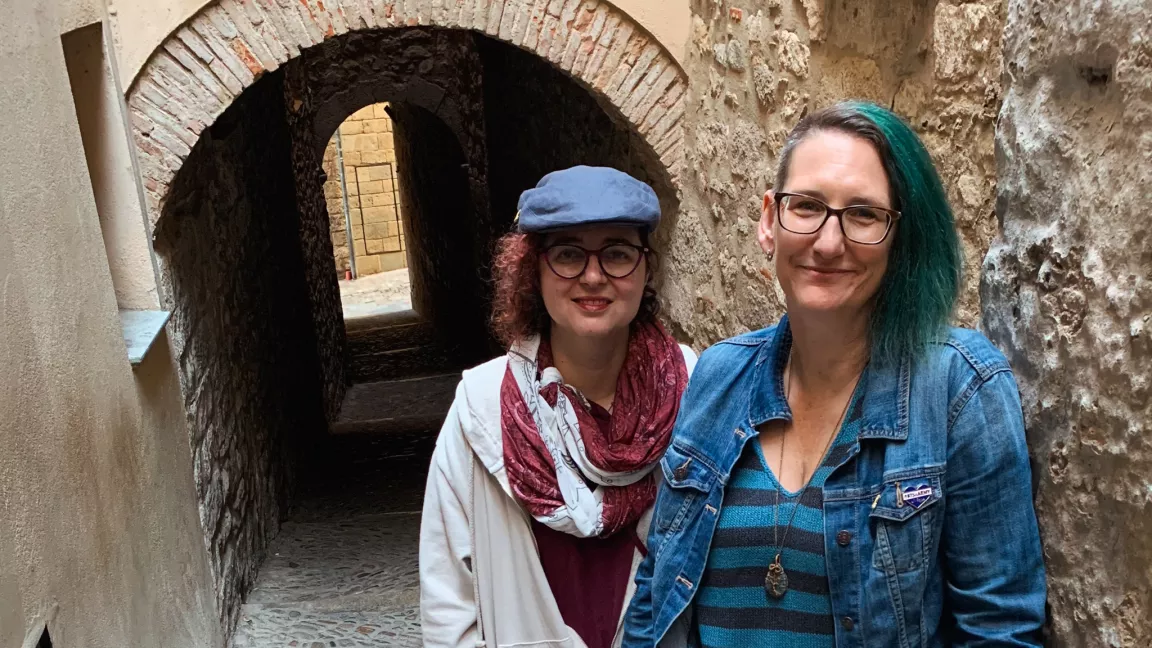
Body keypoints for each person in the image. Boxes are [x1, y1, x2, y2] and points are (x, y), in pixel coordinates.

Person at [622, 102, 1047, 647]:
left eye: (864, 215)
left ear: (900, 240)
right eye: (807, 206)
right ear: (768, 220)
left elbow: (999, 631)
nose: (827, 242)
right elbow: (656, 593)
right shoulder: (718, 374)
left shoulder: (958, 388)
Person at [420, 165, 698, 648]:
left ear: (646, 267)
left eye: (617, 253)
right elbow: (448, 597)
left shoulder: (692, 389)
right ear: (535, 269)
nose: (593, 276)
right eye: (568, 254)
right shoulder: (483, 410)